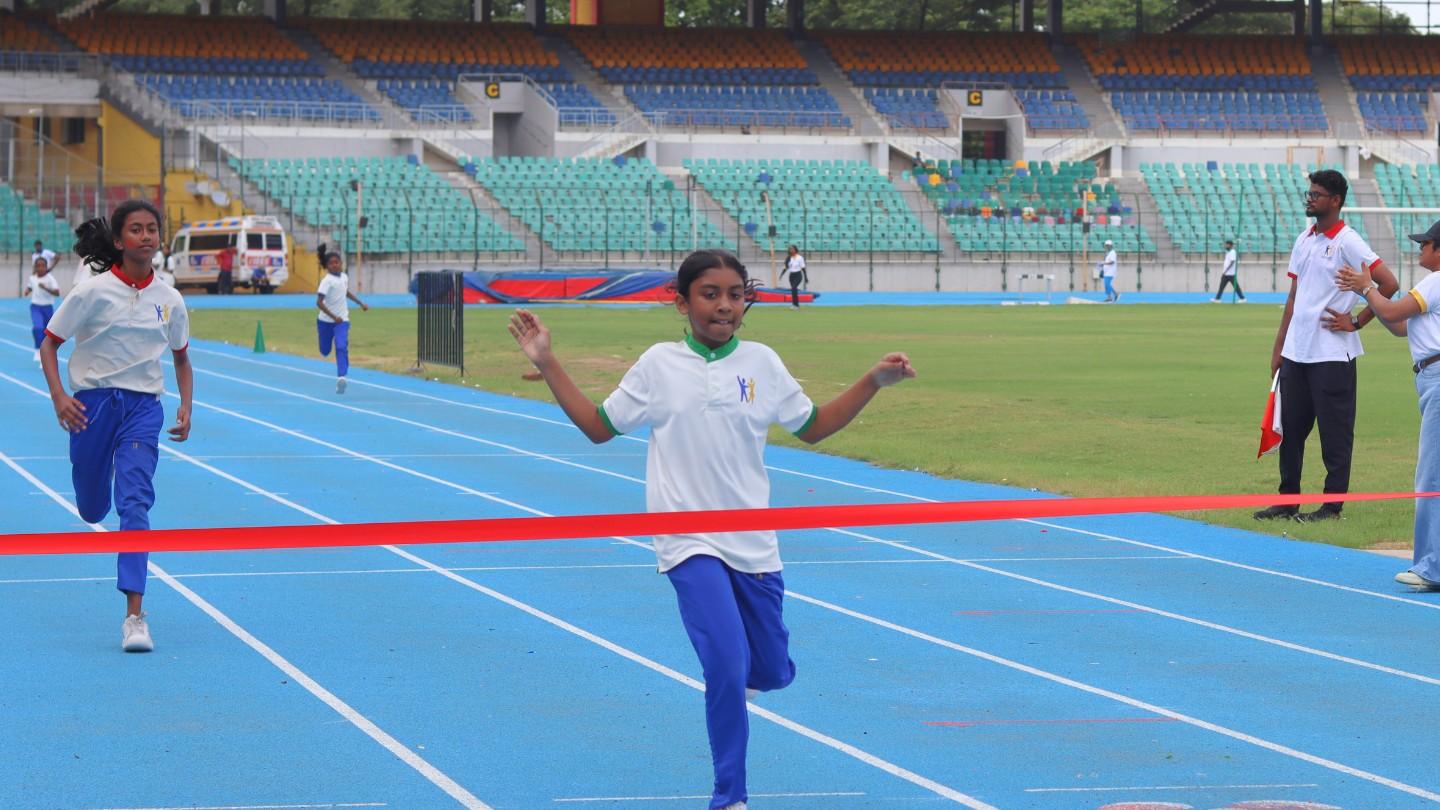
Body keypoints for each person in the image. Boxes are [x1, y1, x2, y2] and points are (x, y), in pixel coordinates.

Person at [507, 249, 915, 810]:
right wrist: (549, 362)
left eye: (735, 293)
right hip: (687, 540)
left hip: (754, 543)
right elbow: (599, 428)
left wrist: (873, 380)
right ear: (681, 301)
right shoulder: (657, 364)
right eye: (709, 293)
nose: (724, 304)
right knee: (724, 664)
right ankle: (731, 797)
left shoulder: (763, 362)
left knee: (768, 669)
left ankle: (749, 677)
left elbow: (815, 427)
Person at [38, 200, 193, 652]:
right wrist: (60, 398)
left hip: (144, 408)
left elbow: (182, 359)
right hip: (92, 406)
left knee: (136, 503)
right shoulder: (92, 292)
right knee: (91, 508)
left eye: (152, 229)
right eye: (136, 229)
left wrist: (186, 405)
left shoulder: (170, 300)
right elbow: (49, 346)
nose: (145, 236)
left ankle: (134, 617)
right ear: (120, 239)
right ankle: (96, 480)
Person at [1254, 169, 1398, 523]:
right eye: (1310, 193)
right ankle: (1288, 502)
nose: (1310, 198)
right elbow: (1293, 296)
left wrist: (1358, 320)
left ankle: (1331, 507)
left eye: (1317, 194)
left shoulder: (1348, 241)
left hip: (1332, 355)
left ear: (1335, 201)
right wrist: (1278, 349)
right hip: (1296, 354)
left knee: (1334, 435)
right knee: (1290, 432)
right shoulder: (1304, 239)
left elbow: (1389, 283)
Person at [1334, 220, 1440, 589]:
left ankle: (1432, 566)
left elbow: (1394, 315)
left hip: (1437, 377)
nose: (1420, 250)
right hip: (1431, 376)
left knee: (1432, 476)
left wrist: (1367, 288)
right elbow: (1399, 326)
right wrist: (1369, 296)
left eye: (1425, 244)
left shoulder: (1436, 281)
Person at [316, 245, 369, 395]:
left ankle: (341, 377)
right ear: (327, 266)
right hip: (326, 321)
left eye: (337, 262)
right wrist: (333, 317)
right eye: (331, 263)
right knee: (325, 351)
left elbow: (345, 292)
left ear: (341, 263)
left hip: (342, 321)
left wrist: (360, 303)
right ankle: (324, 344)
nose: (335, 265)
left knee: (341, 346)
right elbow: (319, 302)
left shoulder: (344, 277)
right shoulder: (326, 281)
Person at [24, 255, 61, 362]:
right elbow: (30, 286)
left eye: (43, 266)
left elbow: (57, 293)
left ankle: (45, 355)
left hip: (47, 308)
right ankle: (37, 350)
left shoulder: (50, 278)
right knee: (37, 328)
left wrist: (45, 288)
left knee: (46, 332)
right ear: (35, 267)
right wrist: (27, 290)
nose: (41, 268)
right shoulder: (32, 278)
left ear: (46, 267)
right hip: (35, 306)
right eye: (38, 266)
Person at [784, 245, 806, 309]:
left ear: (795, 250)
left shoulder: (800, 258)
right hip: (791, 275)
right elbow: (786, 267)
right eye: (790, 249)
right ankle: (794, 304)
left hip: (798, 275)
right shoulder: (789, 258)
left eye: (792, 249)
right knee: (793, 290)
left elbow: (803, 268)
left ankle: (797, 305)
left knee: (794, 288)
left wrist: (806, 277)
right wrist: (782, 274)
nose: (791, 250)